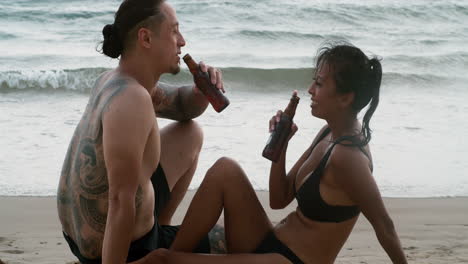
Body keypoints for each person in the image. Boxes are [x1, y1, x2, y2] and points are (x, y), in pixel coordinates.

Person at [141, 42, 408, 264]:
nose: (310, 90)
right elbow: (279, 199)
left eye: (319, 84)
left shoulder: (349, 158)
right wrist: (282, 144)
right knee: (225, 169)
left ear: (346, 97)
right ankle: (176, 255)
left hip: (291, 260)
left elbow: (385, 226)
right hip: (270, 241)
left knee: (162, 258)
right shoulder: (329, 134)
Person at [56, 0, 226, 263]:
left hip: (80, 235)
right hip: (117, 247)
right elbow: (120, 201)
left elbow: (181, 106)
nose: (182, 41)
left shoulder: (115, 80)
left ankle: (161, 226)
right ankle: (157, 243)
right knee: (231, 238)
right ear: (146, 38)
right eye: (174, 31)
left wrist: (199, 94)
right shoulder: (132, 99)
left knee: (190, 133)